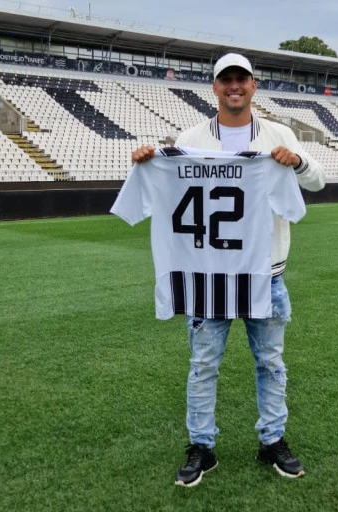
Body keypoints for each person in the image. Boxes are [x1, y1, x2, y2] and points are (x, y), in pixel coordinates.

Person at [130, 52, 325, 487]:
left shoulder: (279, 133)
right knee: (203, 365)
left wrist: (296, 161)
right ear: (215, 87)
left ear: (253, 85)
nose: (234, 86)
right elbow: (169, 188)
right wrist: (148, 162)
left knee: (270, 363)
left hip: (265, 274)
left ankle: (272, 440)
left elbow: (318, 181)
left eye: (242, 79)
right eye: (226, 79)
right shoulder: (191, 137)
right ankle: (201, 446)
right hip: (208, 274)